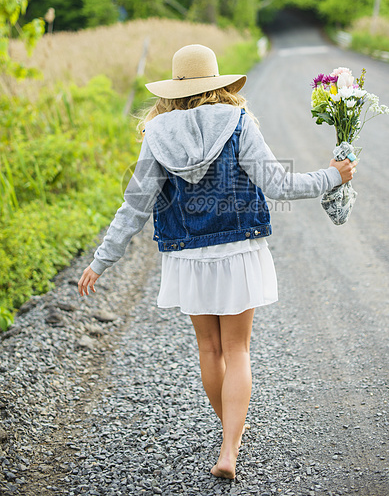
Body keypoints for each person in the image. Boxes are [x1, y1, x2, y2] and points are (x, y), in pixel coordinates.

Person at [78, 44, 356, 479]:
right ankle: (230, 449)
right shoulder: (238, 121)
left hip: (187, 257)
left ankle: (228, 436)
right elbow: (278, 186)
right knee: (238, 349)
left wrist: (101, 260)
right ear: (217, 84)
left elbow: (134, 207)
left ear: (172, 90)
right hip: (238, 249)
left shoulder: (157, 134)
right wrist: (331, 176)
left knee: (209, 349)